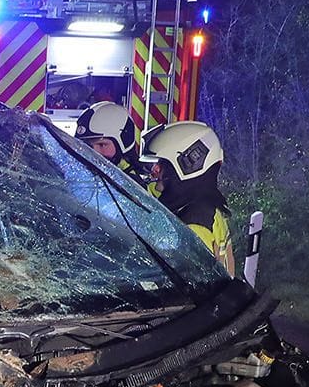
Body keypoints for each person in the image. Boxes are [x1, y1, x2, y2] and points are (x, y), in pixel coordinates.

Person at [141, 120, 237, 275]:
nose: (155, 169)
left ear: (189, 165)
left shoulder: (193, 224)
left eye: (163, 164)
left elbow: (186, 286)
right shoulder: (204, 205)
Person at [73, 101, 145, 181]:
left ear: (124, 143)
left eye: (102, 145)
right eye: (86, 145)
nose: (94, 152)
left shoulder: (133, 184)